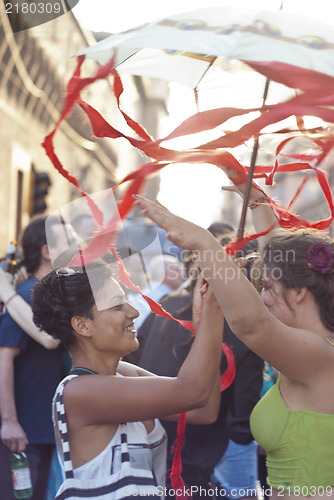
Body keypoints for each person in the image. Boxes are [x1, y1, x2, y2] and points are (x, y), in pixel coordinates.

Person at [133, 192, 334, 500]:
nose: (262, 297)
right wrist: (256, 199)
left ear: (299, 294)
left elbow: (251, 323)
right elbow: (281, 268)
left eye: (265, 288)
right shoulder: (306, 349)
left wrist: (203, 242)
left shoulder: (321, 354)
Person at [31, 260, 224, 497]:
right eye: (116, 305)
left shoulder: (123, 372)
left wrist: (209, 319)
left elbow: (203, 410)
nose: (133, 312)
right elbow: (193, 392)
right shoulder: (79, 391)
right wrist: (211, 311)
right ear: (82, 325)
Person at [125, 233, 263, 500]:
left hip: (154, 441)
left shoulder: (165, 307)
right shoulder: (245, 328)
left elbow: (132, 360)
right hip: (204, 450)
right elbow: (242, 413)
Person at [0, 215, 76, 500]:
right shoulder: (25, 293)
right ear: (47, 251)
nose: (77, 246)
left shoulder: (46, 292)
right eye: (69, 240)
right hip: (22, 433)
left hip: (44, 430)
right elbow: (3, 356)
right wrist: (9, 421)